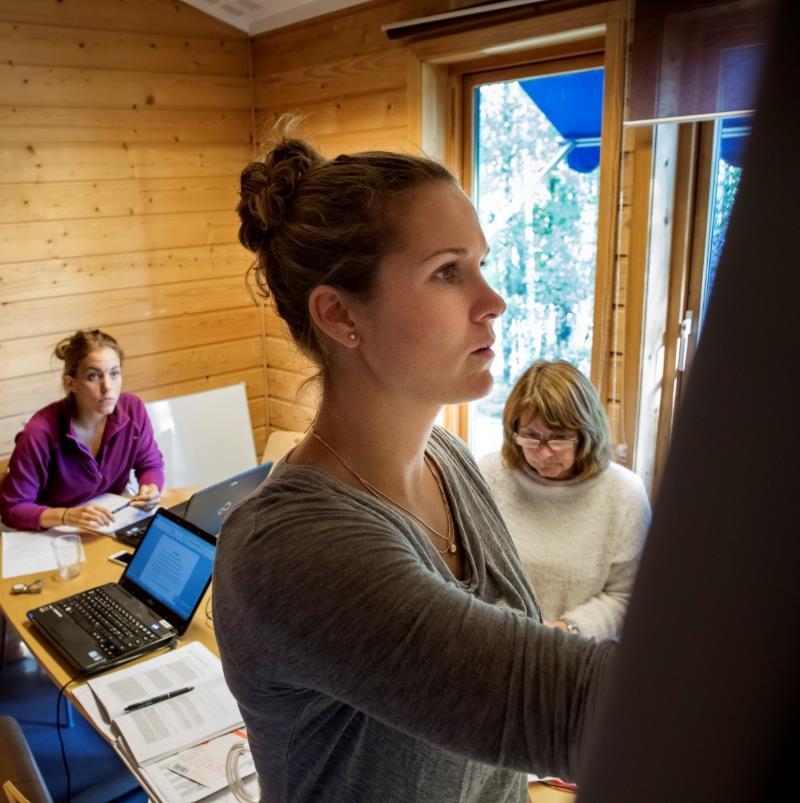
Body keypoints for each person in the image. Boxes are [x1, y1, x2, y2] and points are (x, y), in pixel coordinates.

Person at [213, 125, 616, 803]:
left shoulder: (450, 460)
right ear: (341, 314)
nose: (494, 301)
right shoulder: (289, 551)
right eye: (447, 271)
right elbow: (561, 704)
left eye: (480, 264)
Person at [479, 360, 651, 640]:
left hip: (579, 652)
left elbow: (626, 596)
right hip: (501, 640)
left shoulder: (624, 494)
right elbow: (472, 570)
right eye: (531, 437)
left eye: (559, 439)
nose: (544, 454)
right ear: (514, 431)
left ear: (586, 434)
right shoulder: (491, 474)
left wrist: (565, 631)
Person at [0, 329, 164, 531]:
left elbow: (150, 464)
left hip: (108, 523)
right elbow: (12, 509)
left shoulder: (133, 409)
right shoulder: (39, 433)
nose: (107, 387)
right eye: (93, 376)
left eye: (114, 373)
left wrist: (151, 487)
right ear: (71, 383)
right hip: (53, 534)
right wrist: (66, 515)